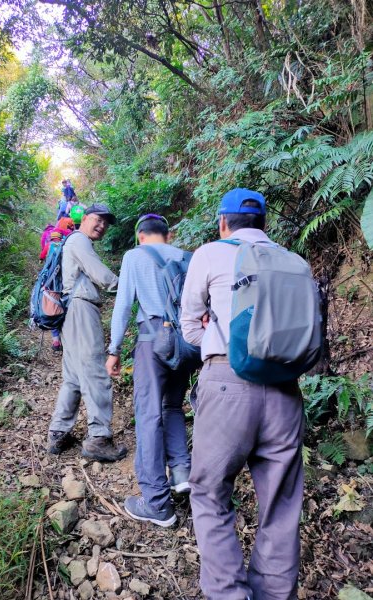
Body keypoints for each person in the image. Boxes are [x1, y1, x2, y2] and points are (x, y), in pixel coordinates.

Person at [180, 188, 304, 600]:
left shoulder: (210, 254)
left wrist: (214, 335)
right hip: (285, 391)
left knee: (211, 493)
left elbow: (189, 327)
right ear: (264, 224)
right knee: (281, 507)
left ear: (222, 222)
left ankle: (229, 595)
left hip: (227, 383)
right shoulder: (293, 261)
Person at [106, 215, 194, 528]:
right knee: (172, 406)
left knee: (148, 414)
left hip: (153, 338)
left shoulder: (134, 256)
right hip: (187, 342)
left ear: (140, 236)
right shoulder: (188, 257)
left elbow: (124, 305)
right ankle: (182, 472)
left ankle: (157, 503)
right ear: (168, 235)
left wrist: (114, 349)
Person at [48, 203, 127, 462]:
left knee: (72, 376)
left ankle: (58, 433)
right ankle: (99, 438)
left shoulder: (72, 241)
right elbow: (102, 275)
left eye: (106, 222)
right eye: (98, 219)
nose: (102, 225)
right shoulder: (79, 240)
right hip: (81, 309)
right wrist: (128, 288)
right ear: (85, 218)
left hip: (70, 312)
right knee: (95, 372)